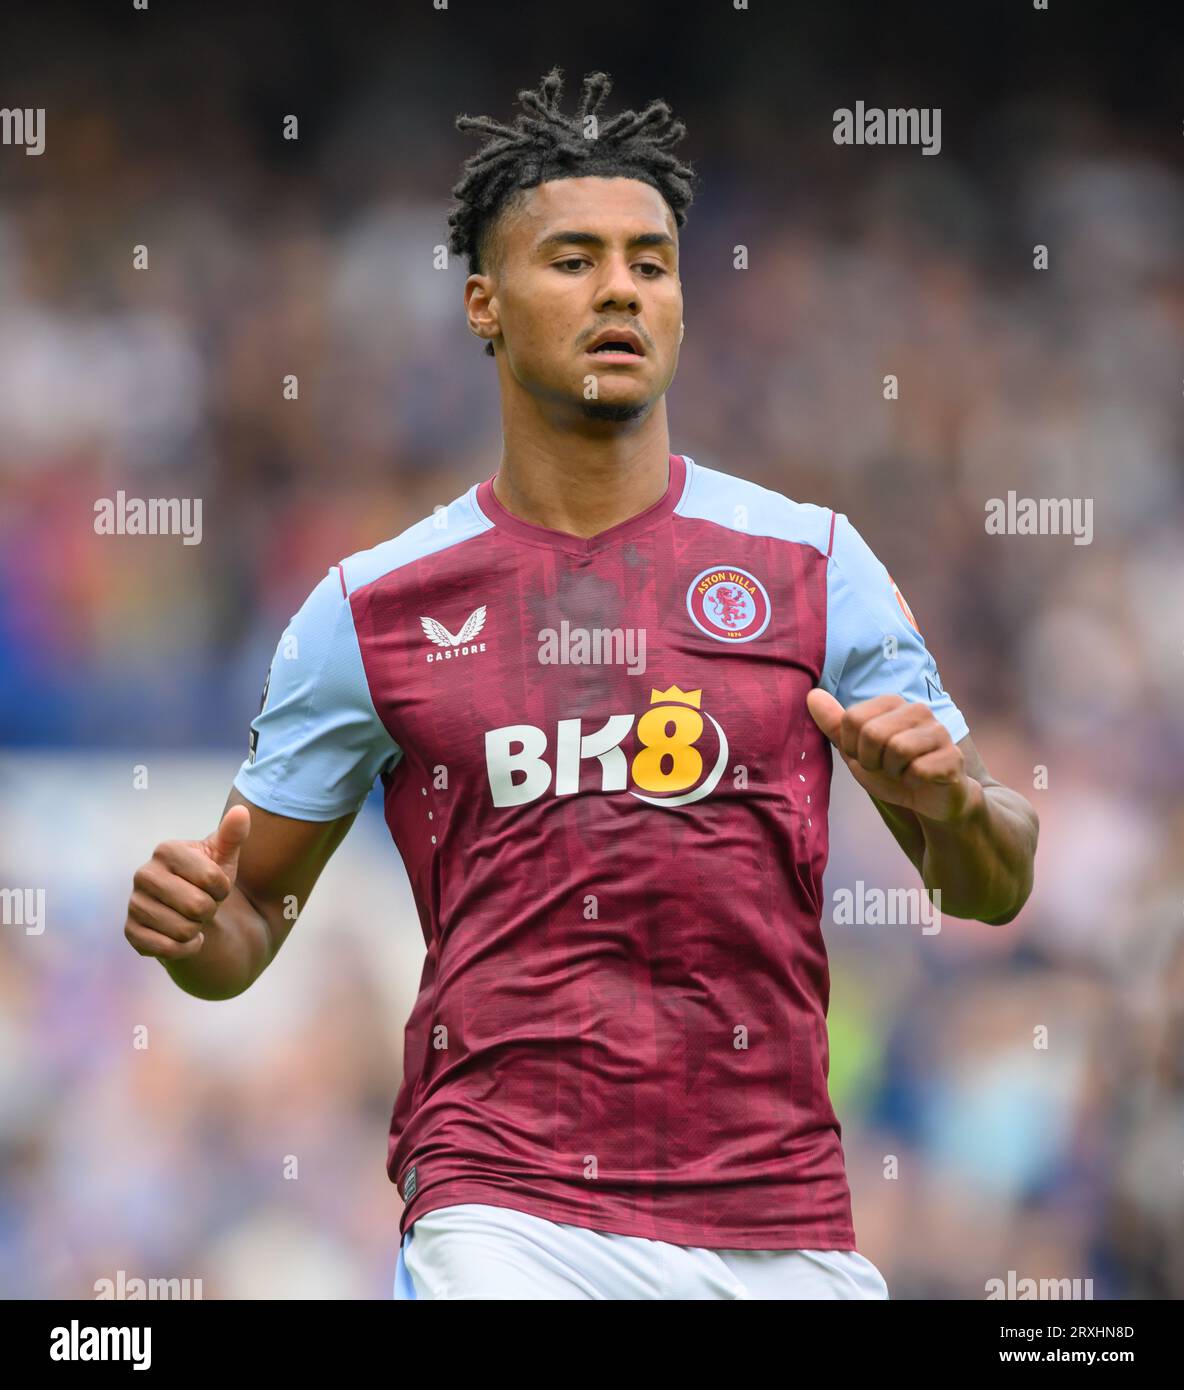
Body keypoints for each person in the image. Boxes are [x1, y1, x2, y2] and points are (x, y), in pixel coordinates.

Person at [123, 68, 1038, 1300]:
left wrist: (955, 807)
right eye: (573, 259)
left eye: (650, 262)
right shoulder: (371, 609)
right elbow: (247, 932)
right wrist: (198, 931)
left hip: (780, 1221)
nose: (620, 286)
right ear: (483, 305)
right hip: (503, 1209)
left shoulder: (815, 563)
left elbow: (990, 882)